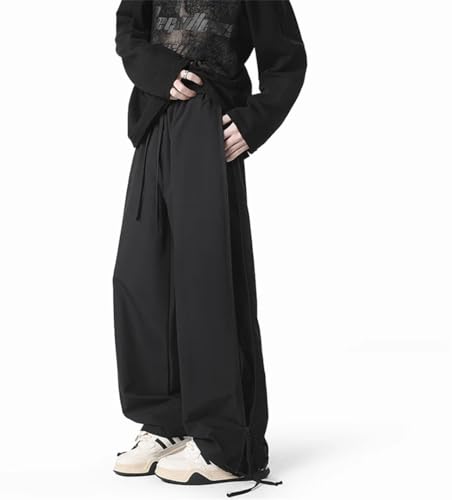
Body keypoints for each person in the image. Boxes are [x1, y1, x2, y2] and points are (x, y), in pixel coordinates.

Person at [111, 0, 307, 496]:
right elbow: (129, 30)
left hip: (207, 125)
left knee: (206, 279)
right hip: (153, 117)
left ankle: (225, 442)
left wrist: (253, 123)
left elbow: (286, 60)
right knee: (141, 277)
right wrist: (159, 73)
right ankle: (167, 421)